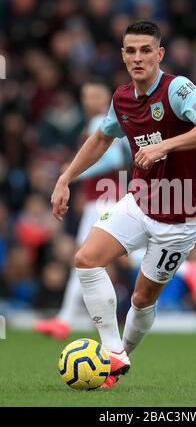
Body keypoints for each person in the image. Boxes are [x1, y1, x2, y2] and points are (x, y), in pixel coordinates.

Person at [50, 21, 196, 388]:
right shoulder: (121, 98)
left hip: (181, 216)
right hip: (140, 202)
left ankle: (120, 355)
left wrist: (164, 145)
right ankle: (114, 353)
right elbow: (101, 138)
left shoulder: (176, 89)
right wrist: (65, 177)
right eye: (130, 51)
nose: (138, 57)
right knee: (85, 260)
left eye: (146, 50)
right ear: (122, 55)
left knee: (142, 298)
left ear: (159, 54)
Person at [34, 80, 130, 339]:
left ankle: (64, 319)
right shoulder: (100, 122)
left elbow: (114, 158)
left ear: (107, 98)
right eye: (86, 96)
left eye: (96, 95)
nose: (90, 100)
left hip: (104, 201)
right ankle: (65, 319)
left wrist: (71, 174)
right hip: (103, 199)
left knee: (85, 258)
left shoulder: (101, 121)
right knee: (89, 259)